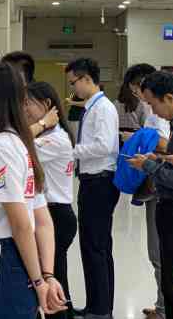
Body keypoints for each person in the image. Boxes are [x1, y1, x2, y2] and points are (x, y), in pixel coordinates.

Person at [0, 63, 67, 318]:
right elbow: (42, 220)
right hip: (15, 256)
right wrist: (46, 274)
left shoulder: (1, 147)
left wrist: (40, 282)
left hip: (2, 256)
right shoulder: (18, 143)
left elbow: (22, 223)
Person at [65, 58, 120, 319]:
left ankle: (100, 310)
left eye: (73, 82)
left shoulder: (104, 109)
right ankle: (97, 305)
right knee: (93, 246)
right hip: (92, 180)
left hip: (100, 181)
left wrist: (70, 151)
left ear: (86, 78)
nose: (73, 88)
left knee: (96, 246)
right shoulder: (93, 107)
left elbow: (105, 146)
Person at [128, 72, 173, 319]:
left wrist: (149, 166)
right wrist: (159, 159)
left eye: (153, 103)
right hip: (171, 213)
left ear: (169, 98)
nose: (153, 111)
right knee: (172, 285)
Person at [120, 64, 169, 319]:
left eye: (138, 91)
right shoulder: (153, 111)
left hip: (165, 188)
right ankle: (163, 304)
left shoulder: (162, 113)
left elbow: (166, 145)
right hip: (156, 185)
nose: (138, 97)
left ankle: (165, 308)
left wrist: (141, 139)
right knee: (157, 253)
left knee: (160, 252)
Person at [25, 82, 77, 319]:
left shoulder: (54, 139)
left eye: (28, 103)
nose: (23, 109)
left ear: (46, 105)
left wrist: (42, 123)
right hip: (52, 214)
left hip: (56, 216)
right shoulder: (50, 135)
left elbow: (19, 148)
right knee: (56, 277)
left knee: (52, 279)